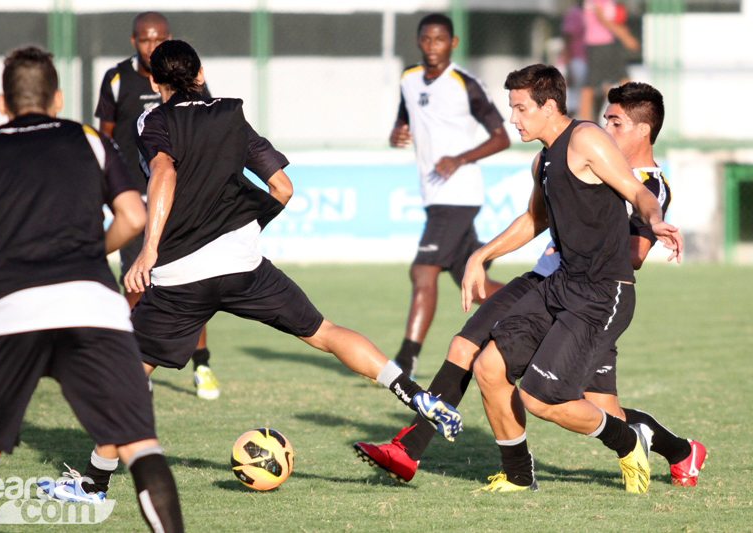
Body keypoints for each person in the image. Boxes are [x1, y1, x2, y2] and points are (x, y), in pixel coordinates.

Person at [43, 40, 462, 502]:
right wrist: (246, 227)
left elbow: (163, 174)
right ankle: (416, 395)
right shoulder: (231, 114)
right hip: (244, 265)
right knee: (325, 332)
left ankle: (93, 483)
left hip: (181, 275)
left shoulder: (153, 120)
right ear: (200, 74)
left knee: (129, 374)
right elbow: (282, 187)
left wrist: (148, 251)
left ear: (156, 82)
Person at [354, 81, 705, 489]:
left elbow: (635, 255)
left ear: (643, 130)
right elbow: (536, 219)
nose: (607, 130)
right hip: (547, 282)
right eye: (606, 120)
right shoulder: (566, 157)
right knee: (467, 349)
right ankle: (415, 451)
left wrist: (583, 238)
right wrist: (481, 254)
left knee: (597, 408)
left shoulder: (648, 182)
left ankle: (680, 451)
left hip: (592, 295)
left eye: (616, 123)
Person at [0, 47, 183, 533]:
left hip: (10, 313)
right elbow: (134, 216)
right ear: (57, 99)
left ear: (2, 103)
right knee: (140, 446)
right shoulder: (89, 140)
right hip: (92, 307)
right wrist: (92, 252)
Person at [464, 65, 682, 494]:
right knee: (488, 367)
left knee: (539, 398)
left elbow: (638, 191)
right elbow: (534, 219)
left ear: (549, 106)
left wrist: (655, 220)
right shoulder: (544, 158)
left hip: (602, 292)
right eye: (512, 108)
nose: (513, 118)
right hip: (561, 284)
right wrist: (481, 254)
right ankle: (518, 475)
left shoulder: (586, 139)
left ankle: (627, 439)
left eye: (521, 108)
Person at [95, 11, 219, 400]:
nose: (152, 45)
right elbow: (105, 139)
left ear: (169, 38)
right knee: (136, 281)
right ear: (133, 42)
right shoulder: (116, 79)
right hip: (135, 199)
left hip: (181, 198)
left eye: (158, 39)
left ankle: (202, 365)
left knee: (191, 282)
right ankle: (137, 366)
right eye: (145, 39)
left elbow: (205, 127)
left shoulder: (188, 77)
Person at [390, 13, 510, 378]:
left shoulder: (466, 84)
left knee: (422, 271)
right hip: (434, 195)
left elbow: (501, 138)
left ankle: (405, 361)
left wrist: (460, 158)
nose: (432, 46)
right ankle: (540, 307)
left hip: (458, 194)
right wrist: (397, 133)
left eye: (440, 39)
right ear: (418, 41)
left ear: (453, 43)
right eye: (426, 39)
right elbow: (404, 118)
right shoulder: (409, 79)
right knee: (474, 286)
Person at [579, 0, 640, 121]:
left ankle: (631, 115)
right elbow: (602, 18)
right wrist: (626, 37)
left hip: (610, 44)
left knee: (621, 80)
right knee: (590, 86)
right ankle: (583, 122)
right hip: (599, 45)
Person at [560, 0, 587, 116]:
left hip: (590, 59)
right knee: (575, 96)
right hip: (577, 58)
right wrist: (568, 63)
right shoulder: (575, 13)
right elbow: (568, 38)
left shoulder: (594, 13)